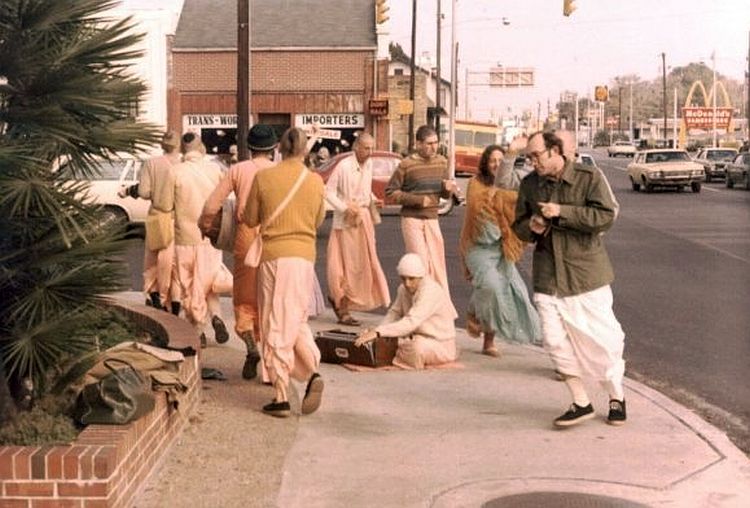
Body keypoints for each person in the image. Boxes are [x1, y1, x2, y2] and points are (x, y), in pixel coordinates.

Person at [511, 130, 627, 428]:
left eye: (536, 155)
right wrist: (532, 227)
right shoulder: (530, 185)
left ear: (555, 152)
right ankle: (580, 401)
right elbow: (518, 225)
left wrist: (563, 211)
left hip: (585, 273)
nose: (532, 161)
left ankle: (616, 396)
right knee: (553, 340)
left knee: (603, 341)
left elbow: (605, 217)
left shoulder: (589, 178)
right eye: (528, 156)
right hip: (548, 274)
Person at [244, 127, 326, 418]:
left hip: (275, 257)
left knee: (275, 322)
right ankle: (311, 371)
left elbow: (249, 217)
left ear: (279, 148)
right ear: (304, 150)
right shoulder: (315, 181)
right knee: (296, 318)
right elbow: (318, 219)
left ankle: (280, 393)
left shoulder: (264, 178)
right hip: (305, 257)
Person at [199, 124, 278, 380]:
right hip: (275, 237)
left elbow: (212, 204)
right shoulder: (280, 171)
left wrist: (205, 225)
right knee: (273, 297)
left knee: (245, 296)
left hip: (247, 235)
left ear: (249, 148)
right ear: (274, 149)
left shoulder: (238, 170)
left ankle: (250, 346)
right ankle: (271, 361)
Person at [458, 144, 541, 357]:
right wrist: (497, 195)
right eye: (492, 160)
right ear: (485, 163)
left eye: (500, 161)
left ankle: (488, 340)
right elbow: (478, 207)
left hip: (501, 247)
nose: (496, 164)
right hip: (478, 247)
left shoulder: (511, 186)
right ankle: (476, 311)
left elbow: (522, 206)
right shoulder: (474, 184)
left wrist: (503, 194)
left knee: (510, 292)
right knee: (492, 287)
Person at [384, 125, 458, 304]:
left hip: (433, 218)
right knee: (421, 264)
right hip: (412, 218)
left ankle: (438, 305)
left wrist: (447, 190)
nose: (433, 147)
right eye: (428, 143)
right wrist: (417, 200)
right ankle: (419, 305)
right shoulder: (406, 165)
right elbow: (390, 192)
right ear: (418, 144)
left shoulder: (441, 162)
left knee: (437, 264)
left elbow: (443, 194)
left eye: (435, 143)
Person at [324, 132, 390, 325]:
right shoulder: (344, 166)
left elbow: (365, 190)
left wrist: (373, 200)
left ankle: (346, 304)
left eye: (372, 148)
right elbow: (328, 191)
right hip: (344, 224)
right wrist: (345, 208)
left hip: (363, 222)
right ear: (356, 147)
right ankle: (341, 307)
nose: (370, 152)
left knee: (362, 267)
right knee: (343, 267)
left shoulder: (369, 165)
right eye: (366, 148)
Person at [171, 132, 230, 347]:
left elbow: (167, 206)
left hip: (184, 235)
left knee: (188, 284)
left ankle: (198, 328)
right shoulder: (215, 170)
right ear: (201, 147)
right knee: (208, 282)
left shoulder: (175, 172)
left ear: (183, 150)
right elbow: (225, 199)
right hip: (210, 235)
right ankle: (216, 317)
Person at [354, 254, 457, 370]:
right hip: (415, 339)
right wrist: (376, 332)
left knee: (415, 349)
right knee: (389, 342)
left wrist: (379, 332)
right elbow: (394, 313)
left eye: (411, 279)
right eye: (403, 278)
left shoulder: (431, 291)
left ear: (421, 276)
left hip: (439, 344)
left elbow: (411, 322)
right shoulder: (403, 289)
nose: (407, 283)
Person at [133, 131, 182, 315]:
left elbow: (144, 192)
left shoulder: (151, 164)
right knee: (175, 265)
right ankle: (175, 307)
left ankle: (156, 299)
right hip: (177, 219)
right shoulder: (183, 164)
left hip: (156, 216)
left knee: (152, 262)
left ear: (162, 145)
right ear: (178, 145)